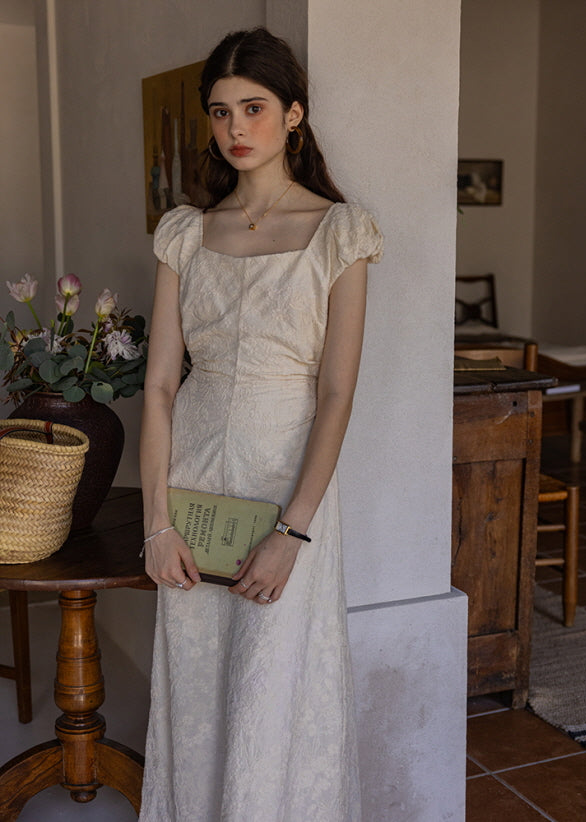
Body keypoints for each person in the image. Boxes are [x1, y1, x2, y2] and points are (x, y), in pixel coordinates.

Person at [138, 26, 383, 822]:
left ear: (293, 116)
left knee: (275, 688)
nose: (235, 128)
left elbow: (337, 392)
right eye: (219, 111)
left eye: (253, 107)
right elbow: (161, 389)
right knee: (199, 685)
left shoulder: (339, 232)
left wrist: (294, 533)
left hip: (289, 492)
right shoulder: (185, 233)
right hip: (194, 489)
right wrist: (156, 526)